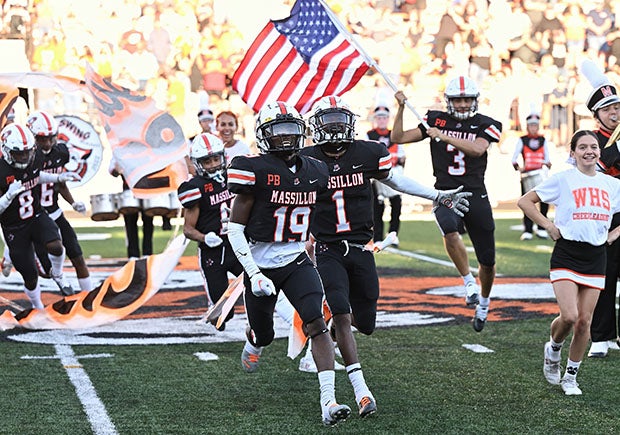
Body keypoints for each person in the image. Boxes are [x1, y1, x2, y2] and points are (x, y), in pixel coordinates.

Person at [300, 95, 471, 419]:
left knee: (365, 324)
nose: (336, 128)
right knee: (341, 314)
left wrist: (436, 195)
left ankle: (327, 340)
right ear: (317, 127)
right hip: (328, 248)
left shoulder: (368, 153)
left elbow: (395, 180)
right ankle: (360, 391)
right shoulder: (306, 158)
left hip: (363, 248)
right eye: (329, 122)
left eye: (340, 121)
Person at [226, 101, 351, 426]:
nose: (284, 139)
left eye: (289, 131)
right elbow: (235, 230)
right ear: (264, 136)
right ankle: (254, 339)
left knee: (316, 323)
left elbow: (318, 214)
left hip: (296, 260)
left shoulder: (315, 170)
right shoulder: (253, 169)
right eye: (277, 133)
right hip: (261, 264)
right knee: (265, 333)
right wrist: (252, 274)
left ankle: (328, 401)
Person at [391, 76, 503, 332]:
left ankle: (483, 302)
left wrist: (443, 136)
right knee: (449, 230)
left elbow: (477, 150)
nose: (463, 104)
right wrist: (399, 108)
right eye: (458, 100)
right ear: (449, 101)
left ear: (474, 100)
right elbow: (398, 137)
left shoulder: (487, 124)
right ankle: (468, 283)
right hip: (445, 192)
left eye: (466, 99)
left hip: (475, 192)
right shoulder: (435, 118)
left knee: (487, 260)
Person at [518, 129, 620, 395]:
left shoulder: (611, 184)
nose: (589, 151)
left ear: (600, 151)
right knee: (570, 316)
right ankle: (553, 349)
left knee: (585, 321)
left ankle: (570, 376)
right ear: (572, 153)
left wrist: (614, 234)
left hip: (596, 256)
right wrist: (548, 226)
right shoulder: (563, 179)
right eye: (583, 147)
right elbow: (525, 201)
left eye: (594, 147)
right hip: (567, 254)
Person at [0, 123, 80, 308]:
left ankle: (58, 274)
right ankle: (37, 306)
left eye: (28, 151)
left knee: (56, 245)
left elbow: (37, 175)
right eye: (19, 153)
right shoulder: (1, 171)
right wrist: (8, 196)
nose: (25, 156)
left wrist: (57, 178)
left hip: (36, 215)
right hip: (14, 227)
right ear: (6, 150)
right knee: (29, 275)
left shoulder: (35, 158)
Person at [178, 132, 243, 331]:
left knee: (258, 285)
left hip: (237, 246)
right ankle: (215, 310)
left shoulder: (234, 176)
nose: (214, 164)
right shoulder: (195, 188)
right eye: (208, 161)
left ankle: (259, 324)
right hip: (212, 253)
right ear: (199, 164)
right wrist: (205, 237)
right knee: (222, 315)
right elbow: (188, 229)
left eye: (216, 158)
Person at [26, 110, 93, 292]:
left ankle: (89, 297)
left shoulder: (60, 152)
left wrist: (73, 203)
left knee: (77, 255)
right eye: (41, 138)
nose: (47, 143)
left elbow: (60, 184)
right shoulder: (27, 158)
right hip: (34, 217)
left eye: (50, 137)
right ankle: (13, 255)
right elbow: (38, 178)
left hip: (54, 212)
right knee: (46, 271)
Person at [585, 76, 620, 358]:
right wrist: (615, 151)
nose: (615, 113)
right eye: (608, 109)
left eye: (618, 107)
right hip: (605, 216)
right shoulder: (589, 140)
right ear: (596, 113)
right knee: (604, 278)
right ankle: (601, 336)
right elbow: (590, 170)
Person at [365, 105, 405, 245]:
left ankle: (393, 234)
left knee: (396, 205)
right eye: (379, 117)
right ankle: (378, 237)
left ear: (388, 119)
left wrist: (394, 160)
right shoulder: (369, 135)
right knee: (377, 207)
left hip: (393, 174)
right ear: (375, 119)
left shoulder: (394, 135)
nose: (382, 120)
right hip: (377, 176)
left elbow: (402, 157)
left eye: (384, 117)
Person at [511, 112, 552, 240]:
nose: (534, 128)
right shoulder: (522, 140)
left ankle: (541, 228)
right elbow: (514, 158)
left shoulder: (543, 139)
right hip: (527, 175)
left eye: (536, 125)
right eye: (531, 125)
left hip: (540, 174)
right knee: (527, 202)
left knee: (544, 201)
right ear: (527, 126)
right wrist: (519, 168)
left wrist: (547, 164)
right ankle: (528, 229)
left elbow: (547, 157)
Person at [109, 157, 153, 260]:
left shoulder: (145, 148)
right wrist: (117, 169)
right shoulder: (119, 150)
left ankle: (148, 253)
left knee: (148, 221)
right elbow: (112, 171)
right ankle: (133, 255)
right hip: (129, 190)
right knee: (130, 223)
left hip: (146, 189)